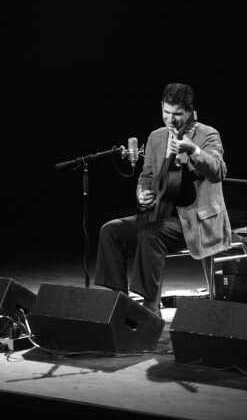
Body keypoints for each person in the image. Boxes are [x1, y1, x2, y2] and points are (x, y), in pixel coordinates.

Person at [93, 83, 232, 314]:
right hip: (159, 215)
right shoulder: (156, 137)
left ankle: (150, 308)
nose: (171, 119)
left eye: (177, 114)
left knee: (150, 234)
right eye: (166, 112)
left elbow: (218, 171)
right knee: (111, 231)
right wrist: (142, 194)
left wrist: (193, 150)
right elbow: (146, 177)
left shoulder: (207, 134)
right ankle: (119, 303)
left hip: (195, 222)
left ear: (189, 111)